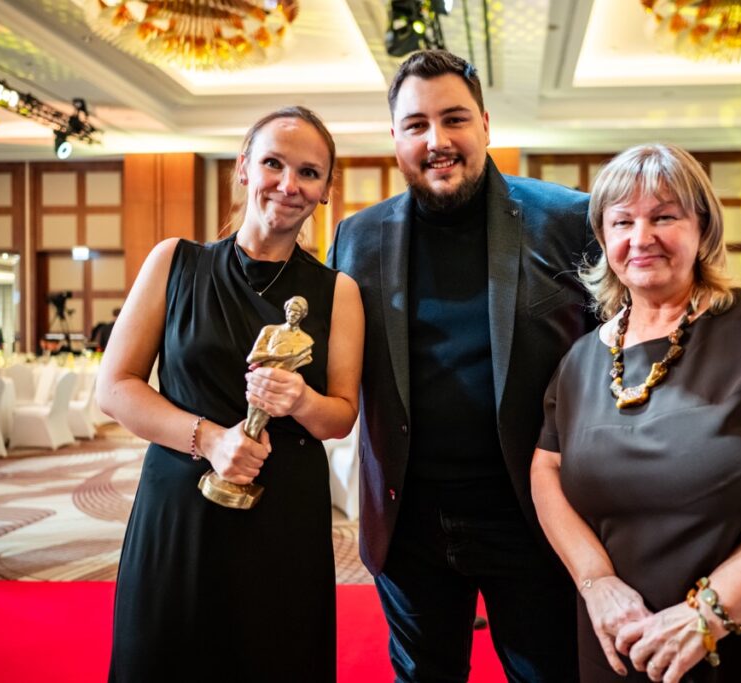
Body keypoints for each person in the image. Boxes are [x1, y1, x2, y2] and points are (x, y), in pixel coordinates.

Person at [531, 143, 741, 682]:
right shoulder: (581, 359)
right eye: (622, 222)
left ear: (703, 229)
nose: (642, 237)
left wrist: (708, 614)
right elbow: (546, 471)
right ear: (604, 239)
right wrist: (596, 582)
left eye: (664, 217)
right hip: (623, 639)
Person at [328, 49, 595, 682]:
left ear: (485, 124)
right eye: (416, 125)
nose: (437, 141)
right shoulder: (356, 238)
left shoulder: (567, 219)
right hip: (408, 521)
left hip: (532, 516)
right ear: (395, 137)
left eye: (454, 119)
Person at [98, 106, 364, 681]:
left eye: (309, 173)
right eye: (273, 163)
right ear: (244, 168)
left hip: (284, 509)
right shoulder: (175, 262)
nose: (288, 185)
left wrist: (300, 401)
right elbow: (114, 387)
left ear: (325, 190)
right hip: (181, 495)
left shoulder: (338, 291)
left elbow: (341, 417)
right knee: (165, 656)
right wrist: (212, 440)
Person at [245, 295, 314, 437]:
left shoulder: (306, 341)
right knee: (251, 423)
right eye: (290, 310)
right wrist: (277, 355)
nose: (292, 314)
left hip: (282, 390)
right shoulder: (270, 331)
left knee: (260, 422)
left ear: (303, 314)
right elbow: (251, 357)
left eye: (296, 312)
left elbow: (306, 357)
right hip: (260, 383)